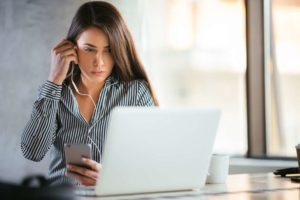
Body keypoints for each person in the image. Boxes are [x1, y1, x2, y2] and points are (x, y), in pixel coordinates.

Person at [21, 1, 158, 186]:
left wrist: (109, 178)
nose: (99, 62)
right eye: (89, 49)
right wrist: (54, 79)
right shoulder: (55, 93)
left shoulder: (135, 93)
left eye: (108, 50)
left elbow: (153, 163)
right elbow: (33, 152)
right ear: (72, 48)